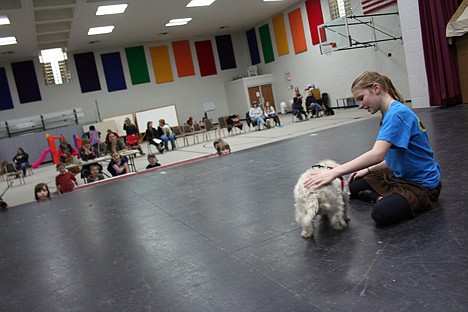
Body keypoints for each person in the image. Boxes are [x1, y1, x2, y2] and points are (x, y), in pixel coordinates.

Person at [304, 71, 441, 227]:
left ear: (376, 88)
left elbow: (377, 154)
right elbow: (394, 157)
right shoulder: (389, 113)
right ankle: (382, 196)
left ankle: (383, 198)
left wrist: (335, 171)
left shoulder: (396, 115)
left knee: (381, 214)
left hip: (421, 184)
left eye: (361, 98)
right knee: (353, 187)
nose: (360, 105)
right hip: (400, 174)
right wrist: (368, 170)